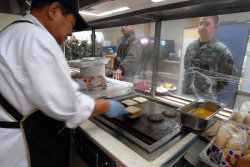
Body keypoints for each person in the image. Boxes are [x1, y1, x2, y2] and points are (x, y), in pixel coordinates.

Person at [0, 0, 127, 167]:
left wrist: (76, 84)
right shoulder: (37, 37)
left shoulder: (15, 31)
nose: (69, 34)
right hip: (19, 146)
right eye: (71, 25)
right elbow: (68, 105)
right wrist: (105, 106)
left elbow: (29, 82)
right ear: (53, 11)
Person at [182, 15, 236, 100]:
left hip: (207, 99)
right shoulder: (191, 47)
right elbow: (187, 69)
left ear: (215, 28)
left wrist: (210, 88)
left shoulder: (222, 51)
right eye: (200, 23)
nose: (202, 27)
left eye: (207, 24)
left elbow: (226, 79)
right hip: (186, 95)